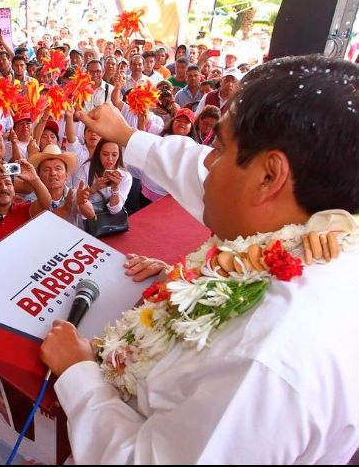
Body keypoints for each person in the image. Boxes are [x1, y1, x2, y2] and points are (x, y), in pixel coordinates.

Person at [41, 55, 359, 463]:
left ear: (269, 176)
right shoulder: (322, 227)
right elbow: (196, 172)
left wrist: (79, 376)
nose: (206, 161)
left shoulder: (261, 357)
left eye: (219, 148)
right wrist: (127, 136)